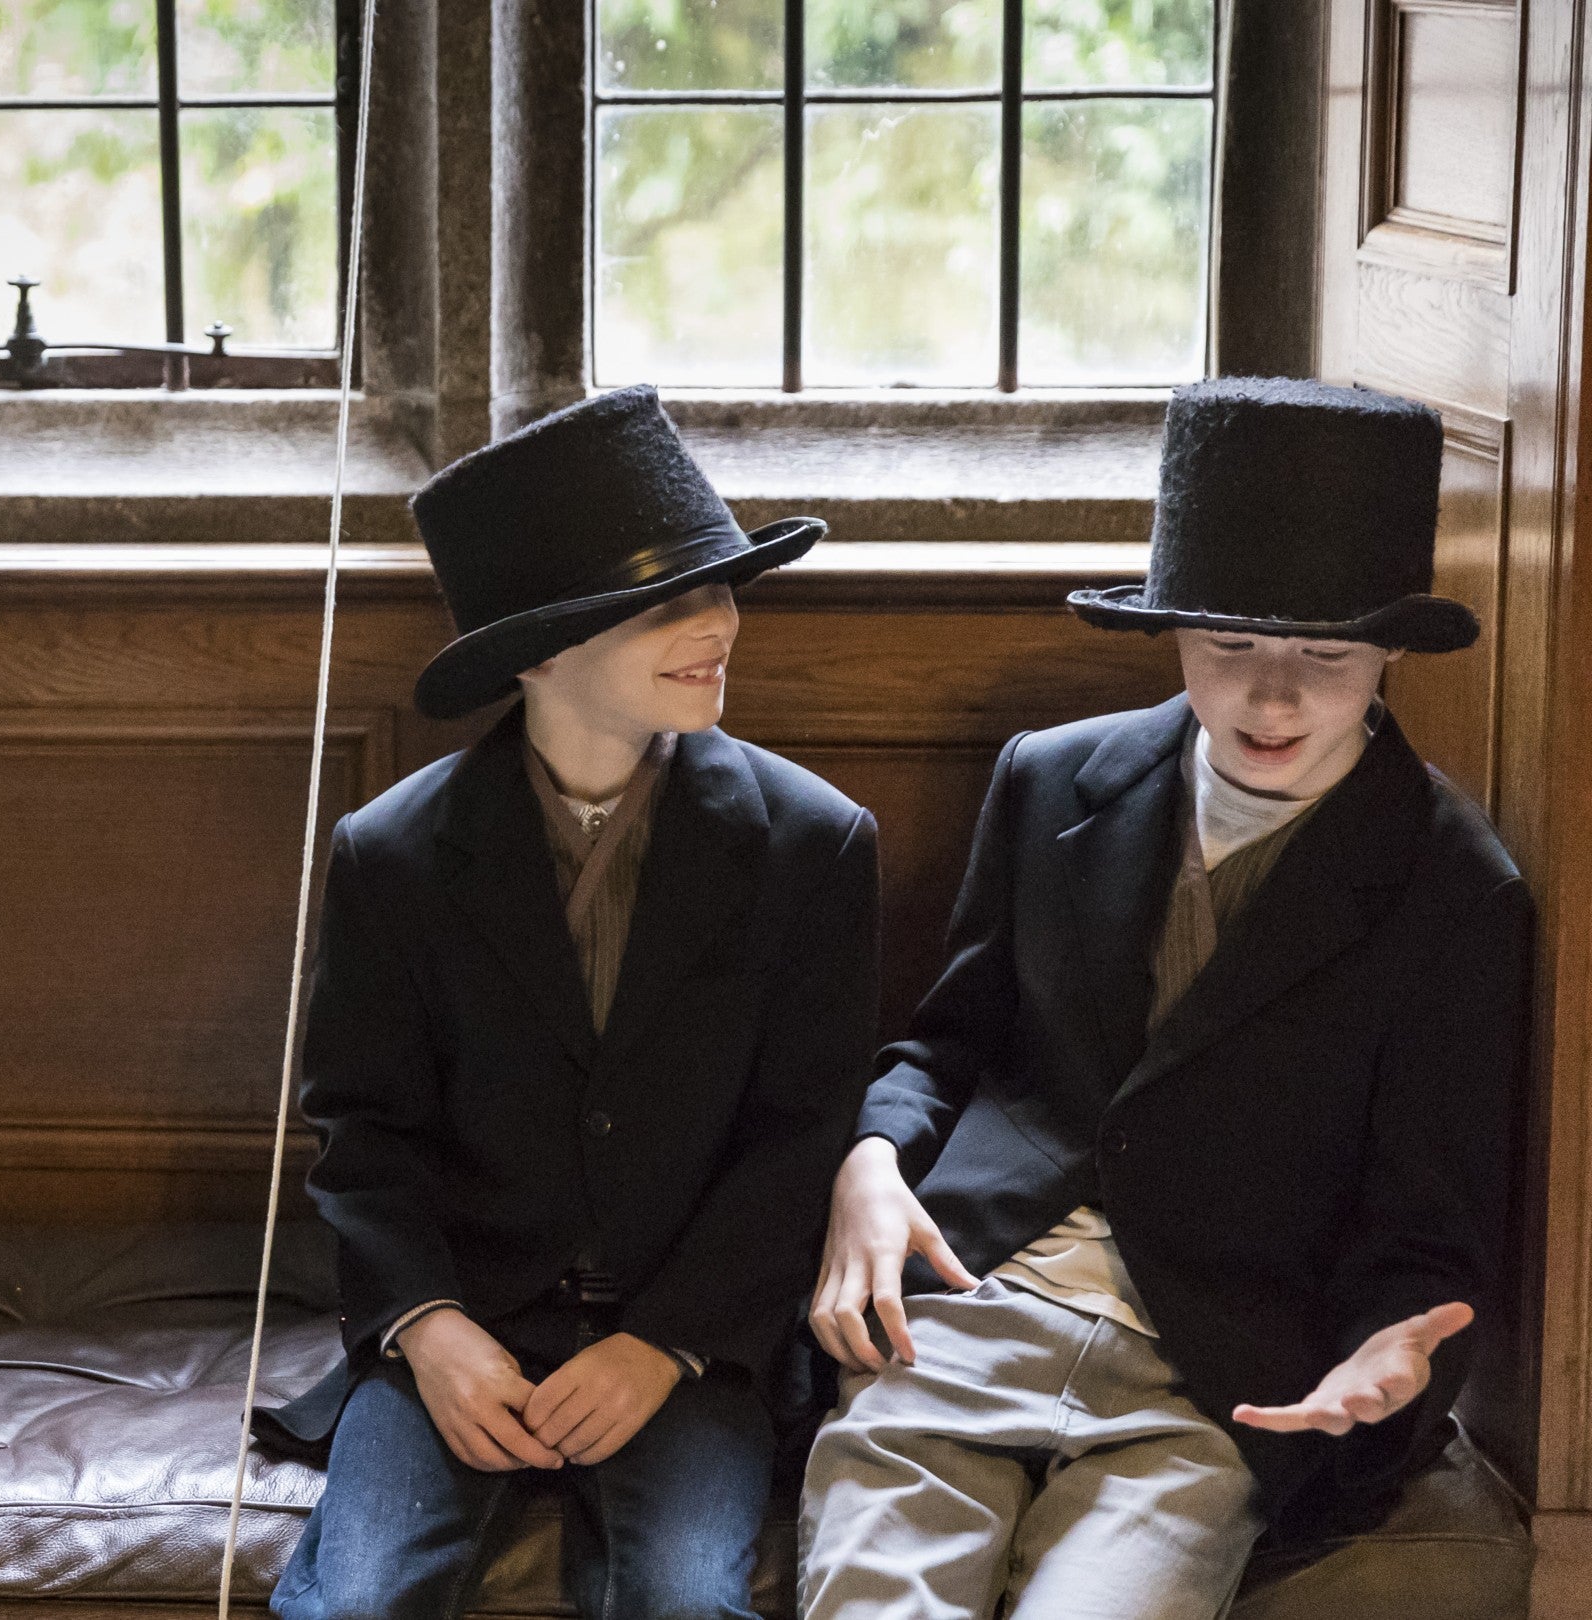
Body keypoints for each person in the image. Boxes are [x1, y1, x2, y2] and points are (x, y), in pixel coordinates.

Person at [799, 377, 1533, 1620]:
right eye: (1231, 647)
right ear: (1173, 631)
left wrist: (1393, 1356)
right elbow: (947, 1043)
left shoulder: (1458, 890)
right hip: (973, 1308)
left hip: (1210, 1378)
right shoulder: (1052, 778)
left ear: (1392, 651)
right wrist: (871, 1157)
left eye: (1325, 657)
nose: (1273, 697)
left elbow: (1427, 1229)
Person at [260, 384, 882, 1620]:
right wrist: (430, 1329)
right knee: (359, 1602)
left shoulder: (814, 843)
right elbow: (363, 1129)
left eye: (724, 588)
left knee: (687, 1599)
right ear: (541, 648)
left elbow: (801, 1133)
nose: (719, 626)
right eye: (669, 603)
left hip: (690, 1340)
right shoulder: (392, 852)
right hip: (463, 1316)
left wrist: (669, 1344)